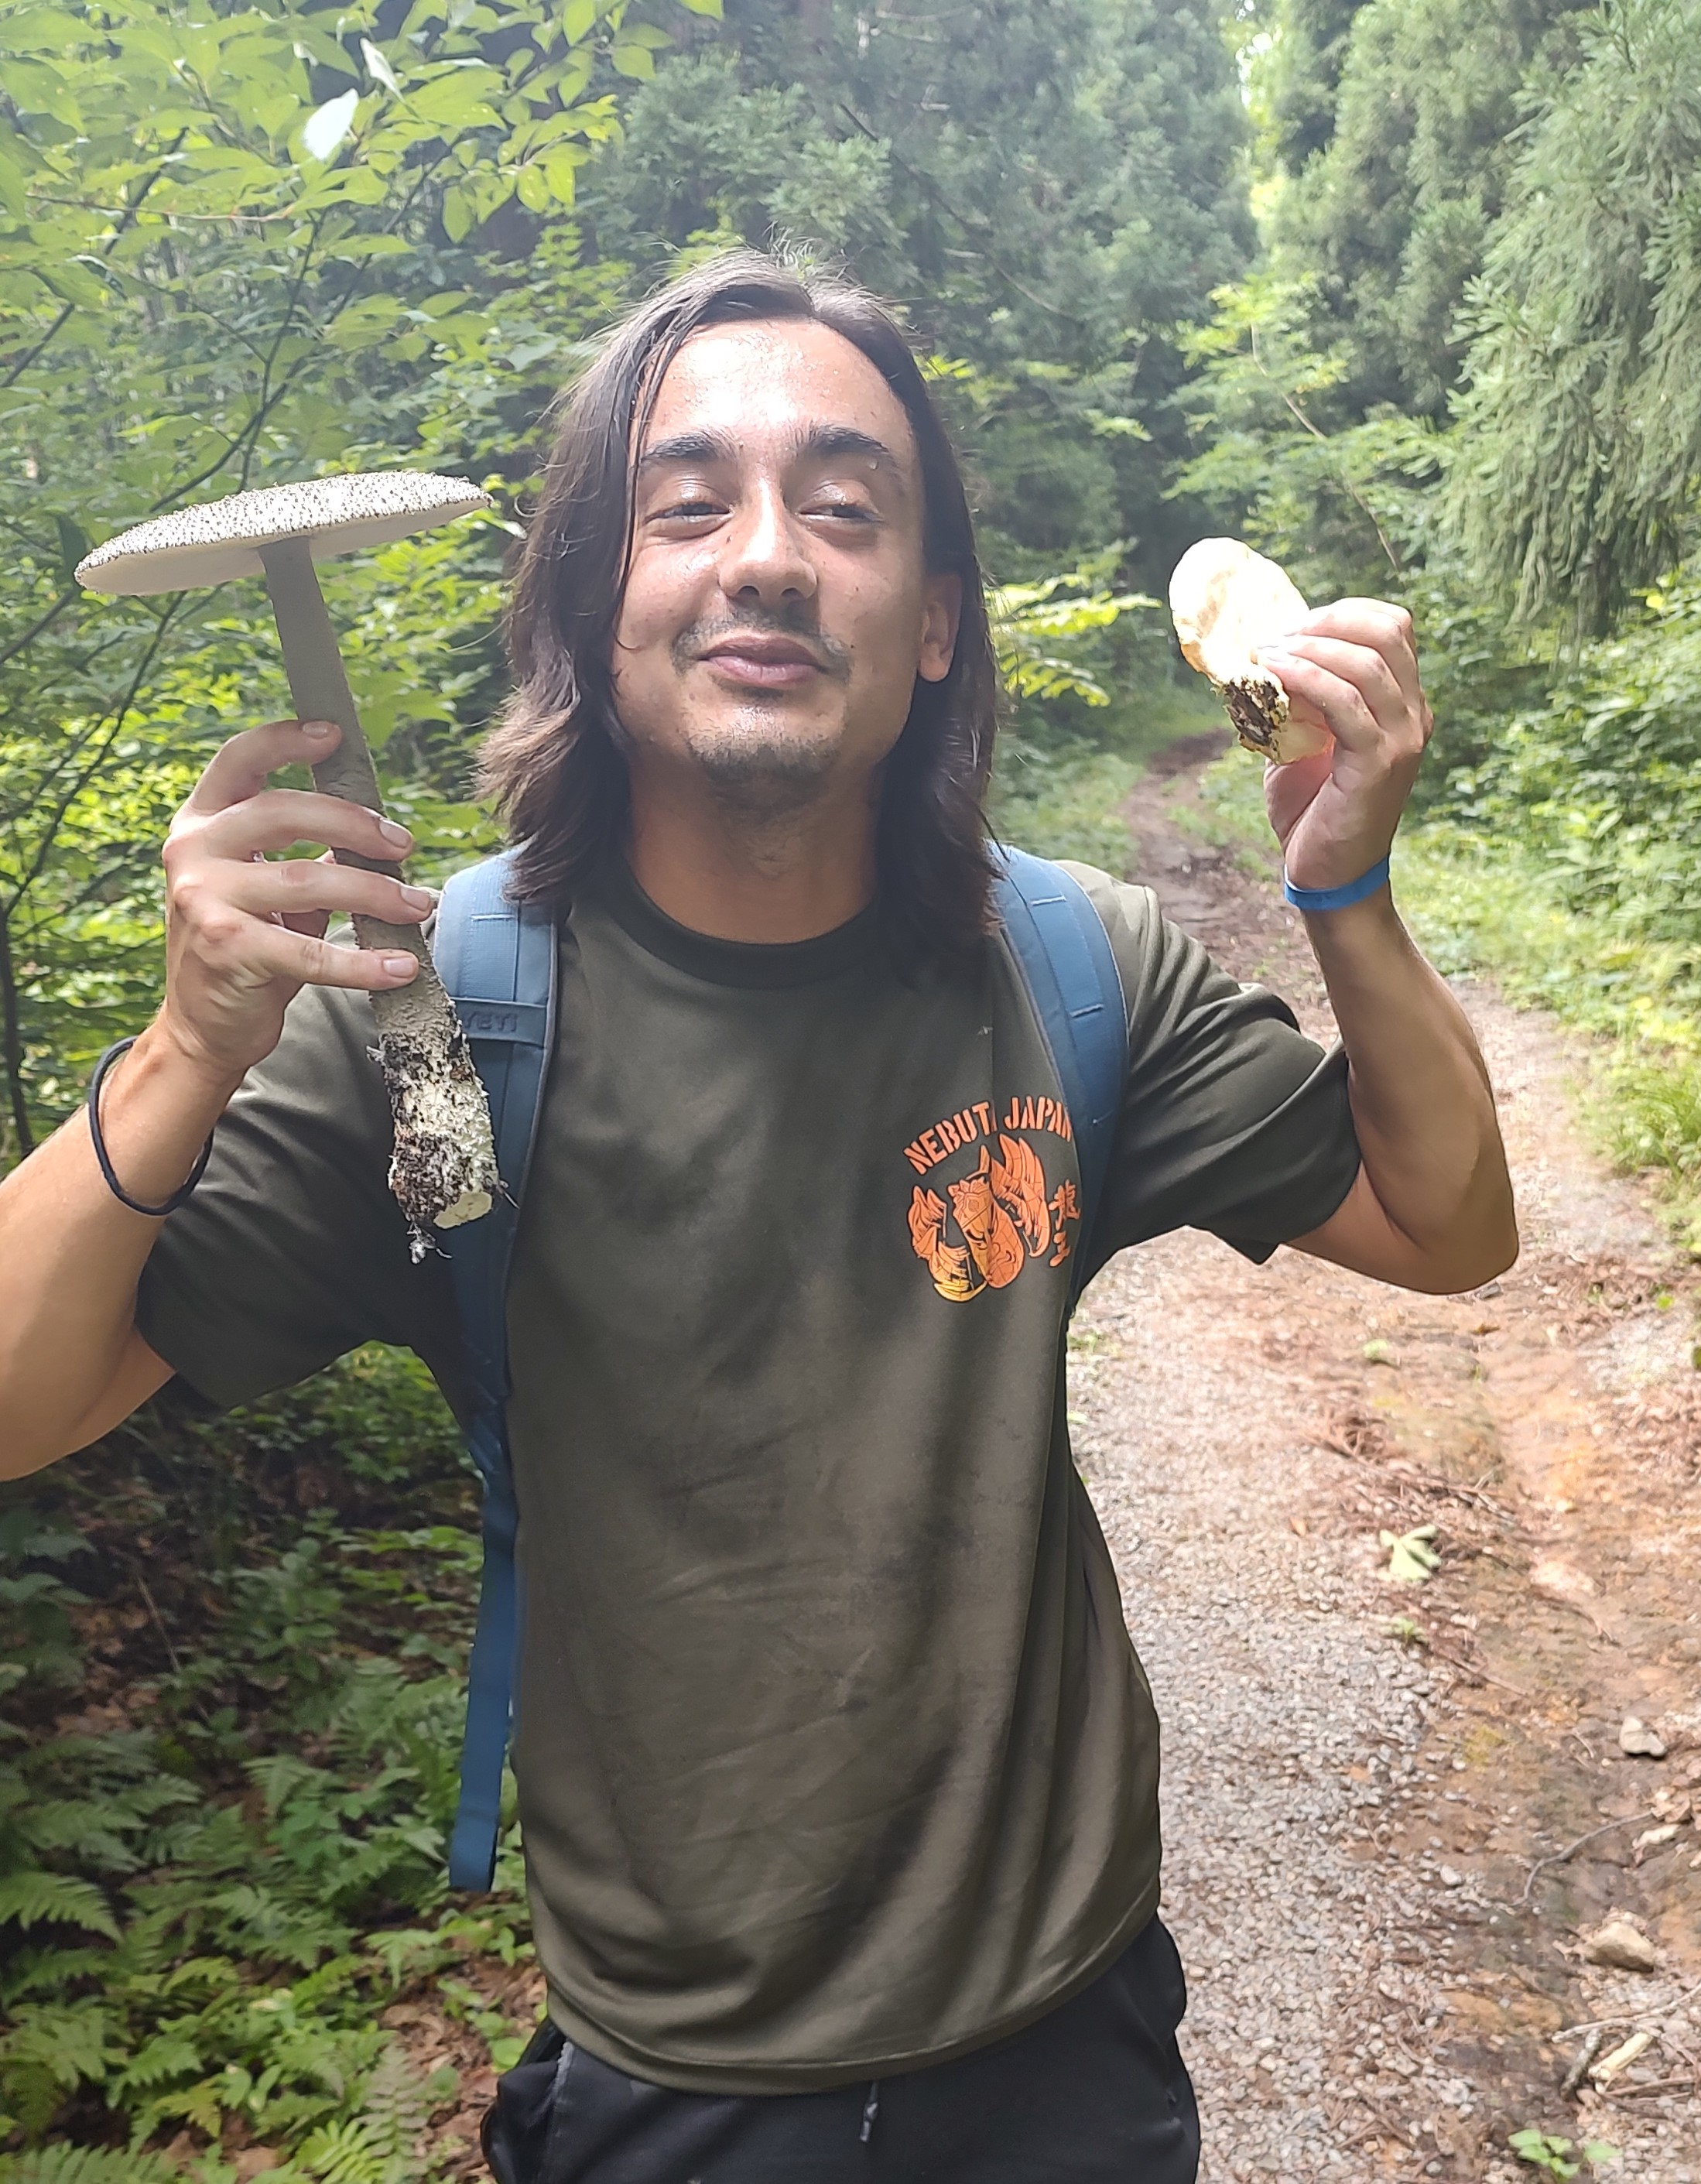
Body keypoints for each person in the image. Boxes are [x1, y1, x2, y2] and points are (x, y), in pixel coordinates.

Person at [0, 252, 1514, 2182]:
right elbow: (21, 1402)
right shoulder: (432, 1027)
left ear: (939, 622)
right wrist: (181, 1051)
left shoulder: (1065, 969)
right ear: (593, 610)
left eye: (848, 506)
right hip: (676, 2079)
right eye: (688, 504)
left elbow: (1448, 1223)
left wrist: (1346, 889)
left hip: (1071, 2038)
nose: (772, 556)